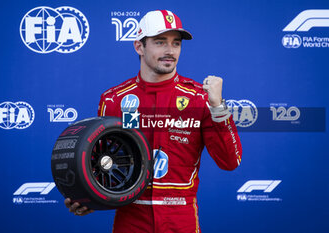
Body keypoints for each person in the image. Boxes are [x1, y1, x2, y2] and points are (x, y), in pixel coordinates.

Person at [65, 9, 242, 233]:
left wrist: (218, 108)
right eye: (160, 42)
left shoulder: (200, 98)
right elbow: (96, 165)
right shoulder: (113, 99)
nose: (170, 51)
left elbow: (230, 161)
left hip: (181, 218)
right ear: (139, 46)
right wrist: (87, 198)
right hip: (131, 218)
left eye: (176, 43)